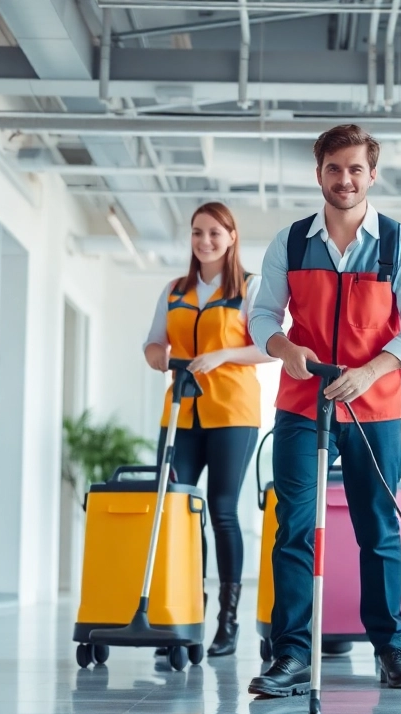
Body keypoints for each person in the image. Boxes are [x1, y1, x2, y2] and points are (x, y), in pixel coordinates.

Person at [245, 124, 401, 696]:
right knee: (294, 528)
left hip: (375, 410)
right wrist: (284, 349)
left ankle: (391, 649)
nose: (345, 179)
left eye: (355, 168)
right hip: (302, 407)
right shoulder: (291, 242)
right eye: (334, 168)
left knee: (378, 530)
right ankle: (291, 656)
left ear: (371, 174)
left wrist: (372, 370)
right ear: (319, 173)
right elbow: (262, 318)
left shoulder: (400, 243)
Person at [143, 201, 272, 657]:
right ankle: (183, 611)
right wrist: (159, 356)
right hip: (181, 414)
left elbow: (269, 348)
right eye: (197, 233)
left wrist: (222, 355)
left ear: (232, 236)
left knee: (220, 509)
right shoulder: (175, 290)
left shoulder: (251, 289)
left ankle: (227, 619)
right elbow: (153, 343)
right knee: (176, 508)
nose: (205, 241)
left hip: (232, 413)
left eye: (215, 233)